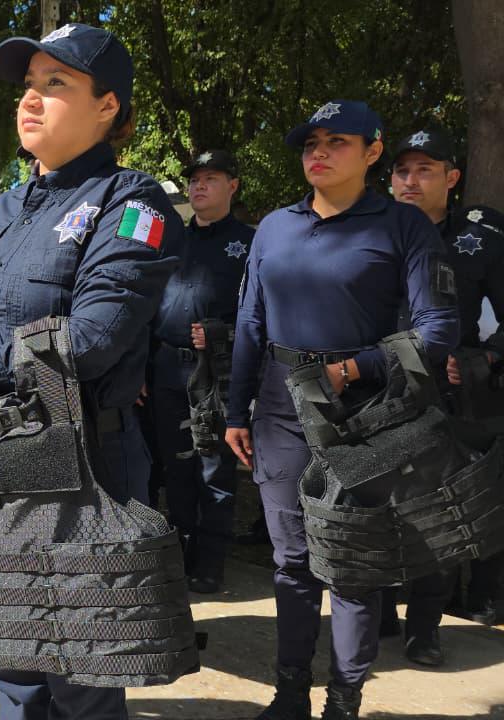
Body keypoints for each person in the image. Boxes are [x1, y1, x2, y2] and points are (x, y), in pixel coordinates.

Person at [0, 23, 181, 720]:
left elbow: (94, 338)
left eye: (55, 85)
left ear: (107, 107)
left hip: (82, 472)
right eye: (29, 85)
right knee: (11, 662)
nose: (30, 101)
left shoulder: (132, 205)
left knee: (81, 675)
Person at [225, 102, 457, 720]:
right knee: (292, 559)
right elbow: (249, 323)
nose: (318, 153)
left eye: (337, 142)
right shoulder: (273, 227)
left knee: (352, 562)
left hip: (365, 413)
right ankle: (291, 691)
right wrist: (234, 411)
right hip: (279, 403)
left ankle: (344, 699)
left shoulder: (404, 228)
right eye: (309, 144)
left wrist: (356, 368)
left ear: (373, 151)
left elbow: (438, 328)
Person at [384, 126, 504, 663]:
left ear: (451, 178)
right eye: (402, 171)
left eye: (424, 170)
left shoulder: (480, 238)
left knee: (437, 511)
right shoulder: (368, 231)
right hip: (377, 392)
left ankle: (424, 625)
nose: (410, 181)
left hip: (449, 399)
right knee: (377, 507)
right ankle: (379, 611)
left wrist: (480, 361)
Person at [148, 149, 252, 594]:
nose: (199, 186)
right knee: (177, 468)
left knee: (214, 470)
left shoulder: (250, 242)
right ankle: (182, 553)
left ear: (233, 185)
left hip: (217, 373)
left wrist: (221, 335)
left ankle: (209, 562)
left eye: (211, 177)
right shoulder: (170, 238)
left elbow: (259, 314)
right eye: (194, 179)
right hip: (167, 367)